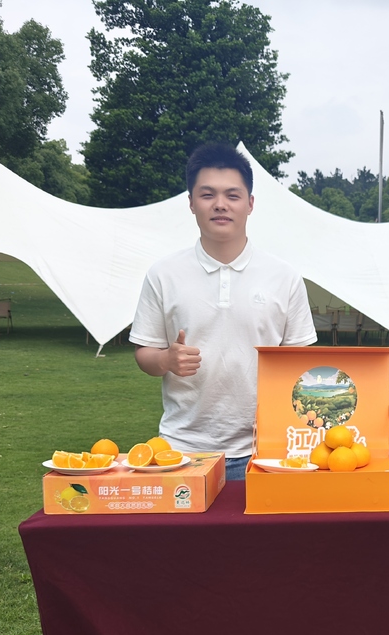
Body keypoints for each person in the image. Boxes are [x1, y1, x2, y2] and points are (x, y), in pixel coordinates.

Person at [129, 143, 317, 480]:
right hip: (183, 448)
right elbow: (145, 351)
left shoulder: (284, 276)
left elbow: (302, 363)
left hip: (267, 450)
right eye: (207, 194)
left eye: (232, 195)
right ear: (191, 203)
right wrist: (166, 360)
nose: (220, 204)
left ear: (250, 203)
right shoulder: (163, 274)